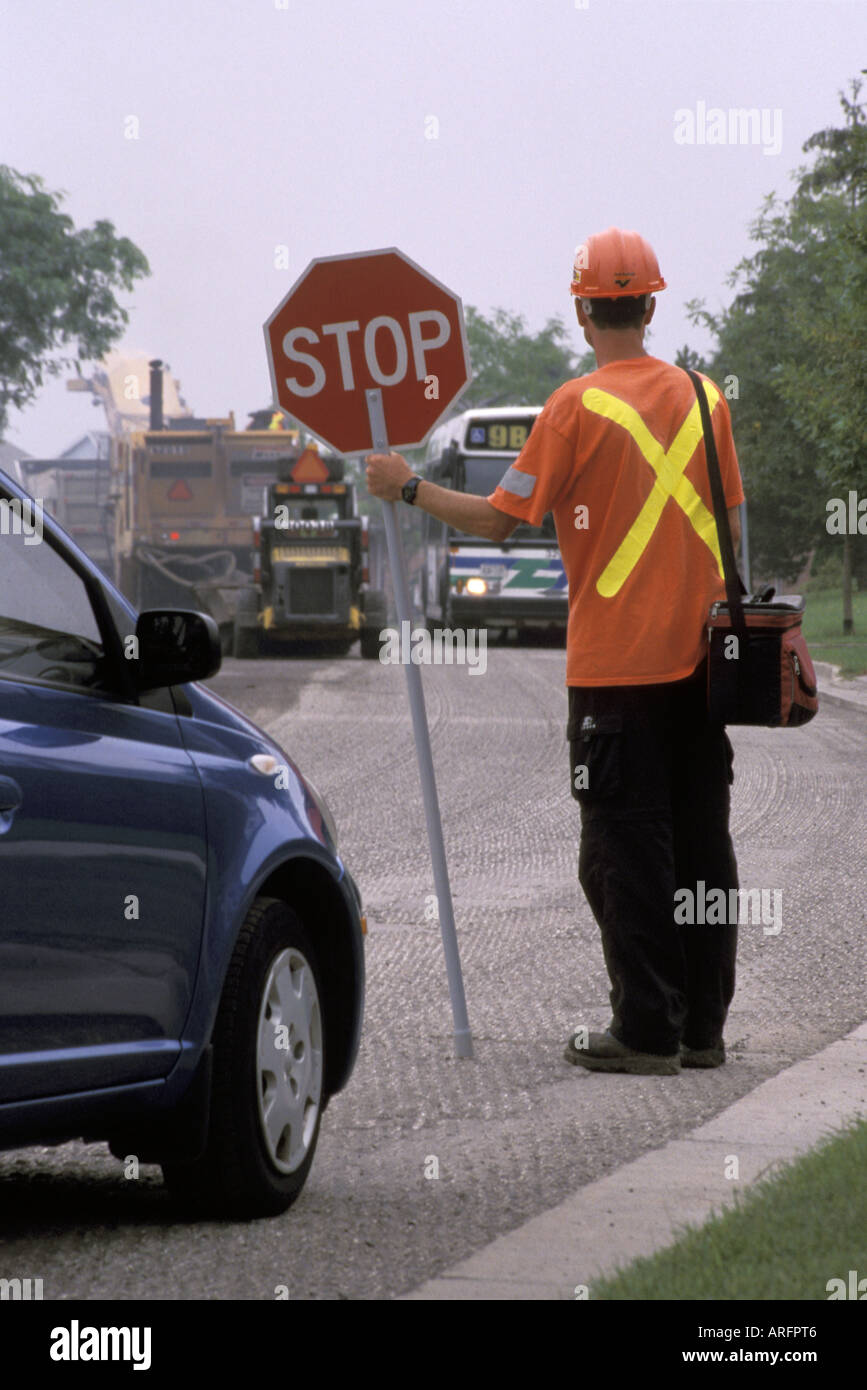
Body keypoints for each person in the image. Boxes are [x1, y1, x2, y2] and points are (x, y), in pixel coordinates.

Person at [365, 227, 744, 1076]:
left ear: (582, 311)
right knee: (701, 844)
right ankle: (700, 1030)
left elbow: (502, 520)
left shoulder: (574, 407)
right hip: (703, 667)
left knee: (621, 849)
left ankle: (645, 1030)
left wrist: (409, 486)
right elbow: (726, 519)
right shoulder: (706, 397)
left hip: (615, 671)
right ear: (650, 303)